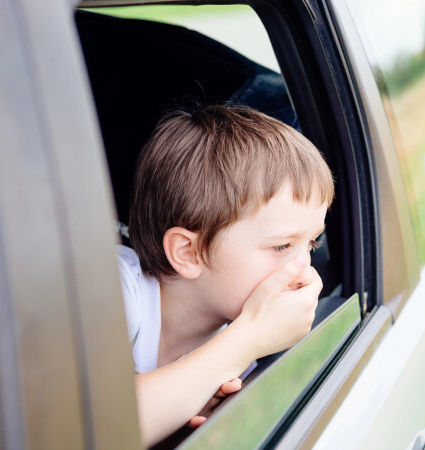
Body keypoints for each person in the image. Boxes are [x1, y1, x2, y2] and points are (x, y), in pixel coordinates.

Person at [117, 104, 334, 446]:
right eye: (281, 247)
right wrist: (247, 339)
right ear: (189, 252)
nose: (305, 272)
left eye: (312, 243)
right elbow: (86, 428)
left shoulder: (240, 355)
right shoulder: (115, 292)